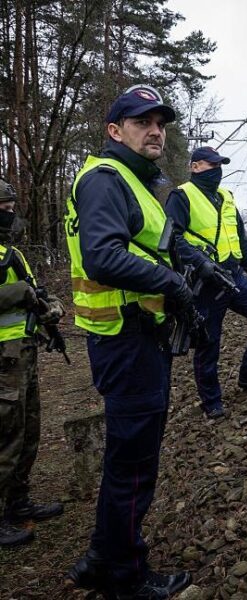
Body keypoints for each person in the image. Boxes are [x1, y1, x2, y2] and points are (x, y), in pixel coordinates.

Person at [64, 85, 192, 599]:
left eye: (160, 122)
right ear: (115, 131)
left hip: (132, 337)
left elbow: (153, 248)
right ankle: (124, 577)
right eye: (142, 122)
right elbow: (103, 257)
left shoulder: (134, 184)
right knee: (135, 464)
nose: (155, 130)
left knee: (126, 459)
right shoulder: (105, 179)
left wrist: (188, 264)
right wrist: (173, 285)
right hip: (127, 339)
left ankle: (102, 557)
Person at [165, 146, 247, 420]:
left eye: (220, 165)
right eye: (211, 165)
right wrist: (199, 262)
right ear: (195, 167)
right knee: (209, 342)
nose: (217, 170)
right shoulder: (181, 196)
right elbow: (172, 238)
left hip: (235, 275)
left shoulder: (226, 197)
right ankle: (211, 400)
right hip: (206, 283)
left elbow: (240, 238)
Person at [0, 178, 65, 547]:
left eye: (11, 209)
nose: (10, 216)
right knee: (5, 436)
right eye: (4, 210)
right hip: (3, 361)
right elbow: (19, 292)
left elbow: (35, 290)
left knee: (27, 431)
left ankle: (18, 503)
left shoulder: (12, 252)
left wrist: (50, 306)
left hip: (23, 354)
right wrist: (17, 293)